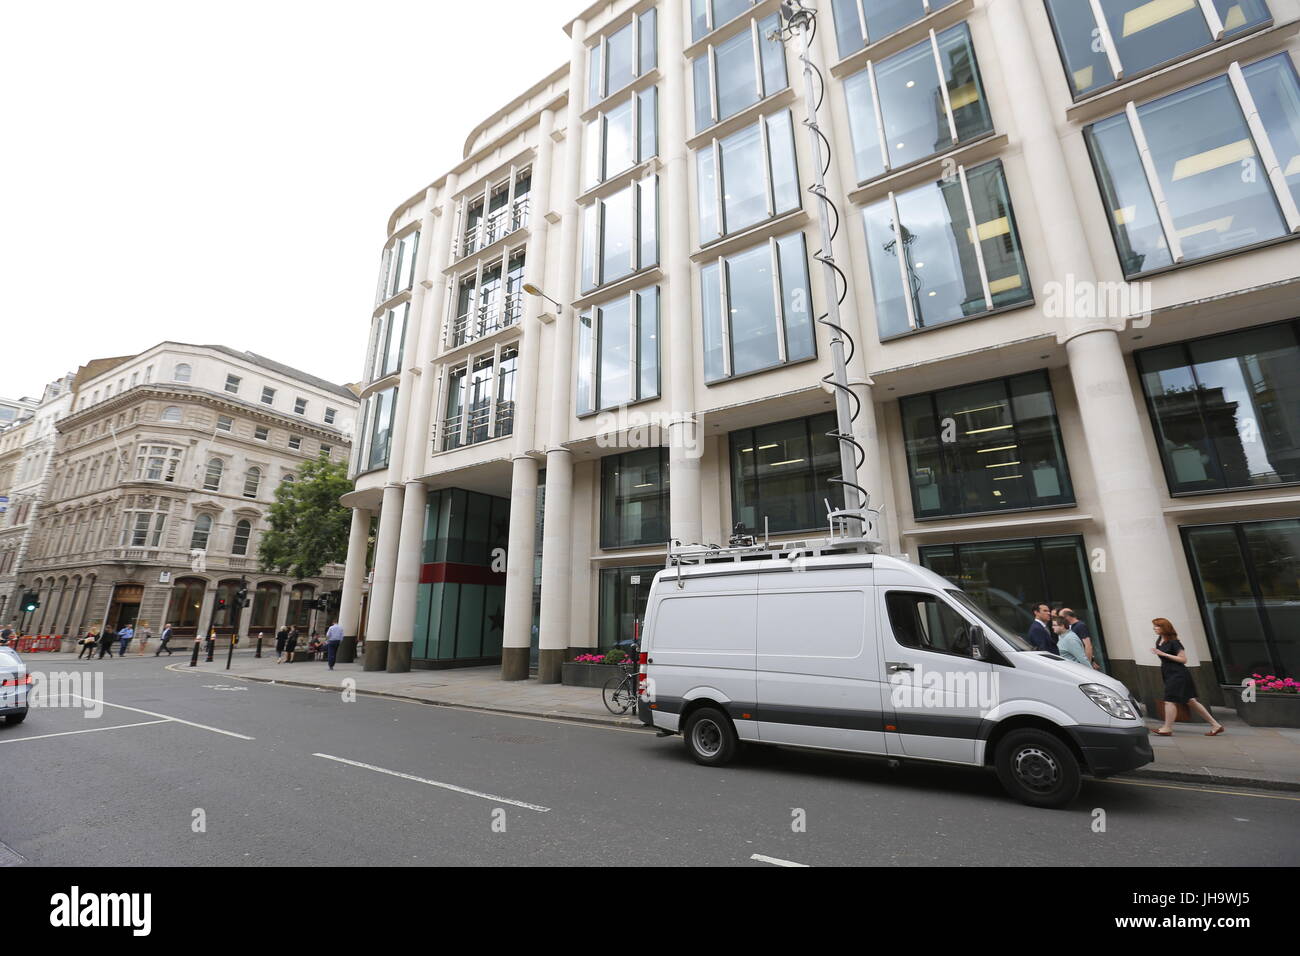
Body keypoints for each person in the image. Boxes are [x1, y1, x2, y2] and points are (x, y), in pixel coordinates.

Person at [1151, 618, 1223, 737]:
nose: (1154, 628)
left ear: (1165, 627)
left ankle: (1167, 728)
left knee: (1169, 700)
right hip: (1168, 673)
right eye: (1154, 626)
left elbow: (1183, 659)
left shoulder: (1174, 642)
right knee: (1191, 701)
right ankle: (1216, 725)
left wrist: (1164, 654)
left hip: (1178, 674)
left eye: (1157, 626)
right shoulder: (1159, 640)